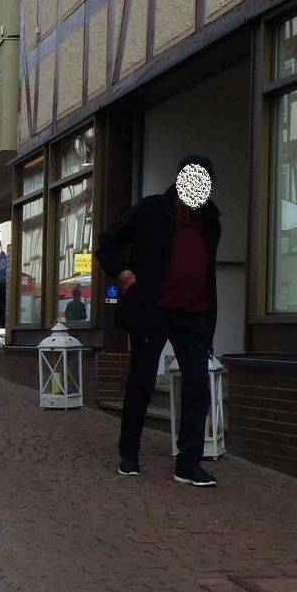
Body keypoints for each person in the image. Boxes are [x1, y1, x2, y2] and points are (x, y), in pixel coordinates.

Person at [96, 154, 222, 487]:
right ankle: (129, 452)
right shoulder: (151, 210)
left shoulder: (211, 222)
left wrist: (209, 318)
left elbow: (207, 269)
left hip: (194, 313)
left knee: (197, 384)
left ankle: (188, 463)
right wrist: (121, 272)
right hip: (152, 311)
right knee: (142, 381)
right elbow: (108, 241)